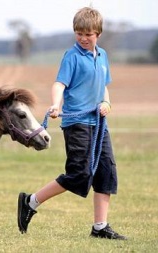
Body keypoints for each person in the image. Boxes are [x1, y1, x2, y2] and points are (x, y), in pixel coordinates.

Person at [17, 7, 127, 240]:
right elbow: (59, 84)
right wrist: (56, 105)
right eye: (79, 33)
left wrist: (107, 103)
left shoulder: (103, 55)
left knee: (106, 172)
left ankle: (100, 227)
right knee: (78, 174)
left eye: (88, 34)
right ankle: (30, 201)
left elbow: (103, 85)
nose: (83, 38)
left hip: (99, 124)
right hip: (77, 123)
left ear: (98, 33)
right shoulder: (72, 56)